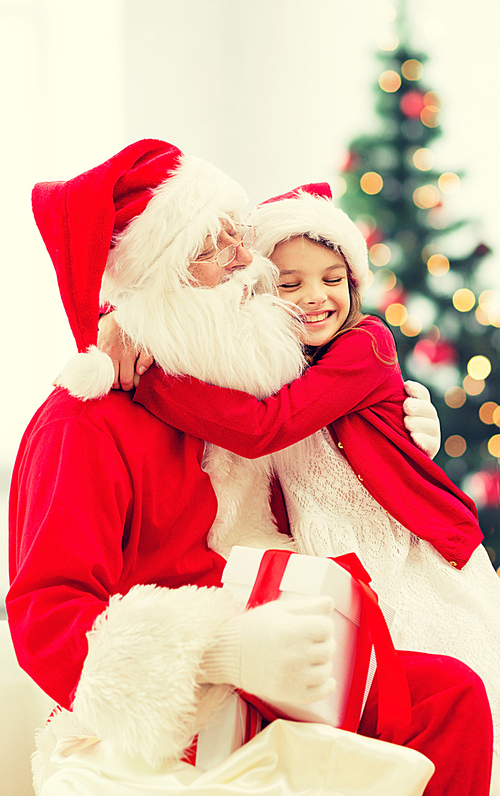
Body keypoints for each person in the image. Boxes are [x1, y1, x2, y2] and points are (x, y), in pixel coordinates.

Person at [7, 142, 492, 796]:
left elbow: (308, 438)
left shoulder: (229, 388)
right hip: (177, 703)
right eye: (214, 248)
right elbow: (48, 612)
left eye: (239, 237)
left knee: (452, 696)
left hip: (285, 656)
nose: (248, 263)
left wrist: (403, 432)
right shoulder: (82, 425)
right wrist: (220, 652)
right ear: (161, 279)